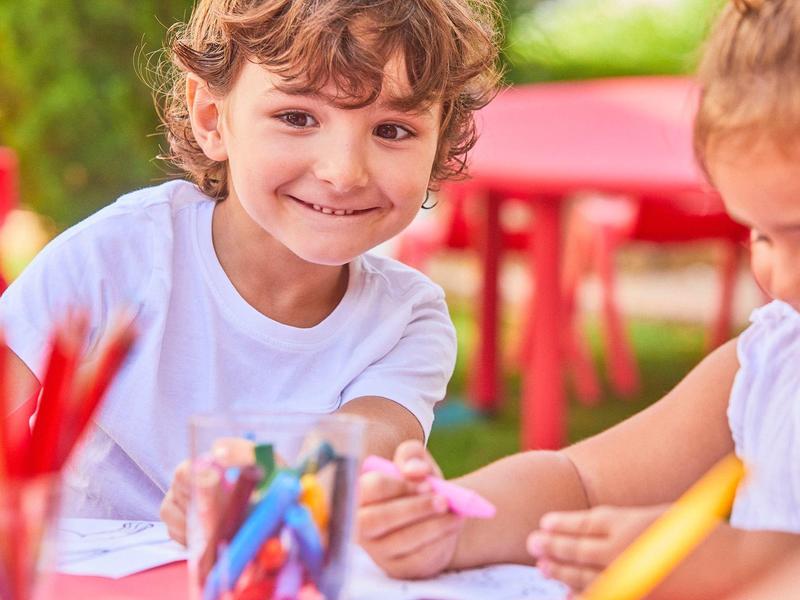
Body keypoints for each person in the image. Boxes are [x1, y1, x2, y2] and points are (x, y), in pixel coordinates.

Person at [0, 0, 501, 541]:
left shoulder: (406, 318)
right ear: (213, 118)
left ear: (439, 143)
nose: (343, 172)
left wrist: (263, 492)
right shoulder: (116, 256)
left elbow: (372, 435)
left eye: (393, 130)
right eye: (297, 118)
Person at [357, 0, 800, 595]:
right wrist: (454, 522)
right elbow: (581, 483)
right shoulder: (774, 361)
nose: (784, 278)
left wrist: (741, 566)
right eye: (762, 234)